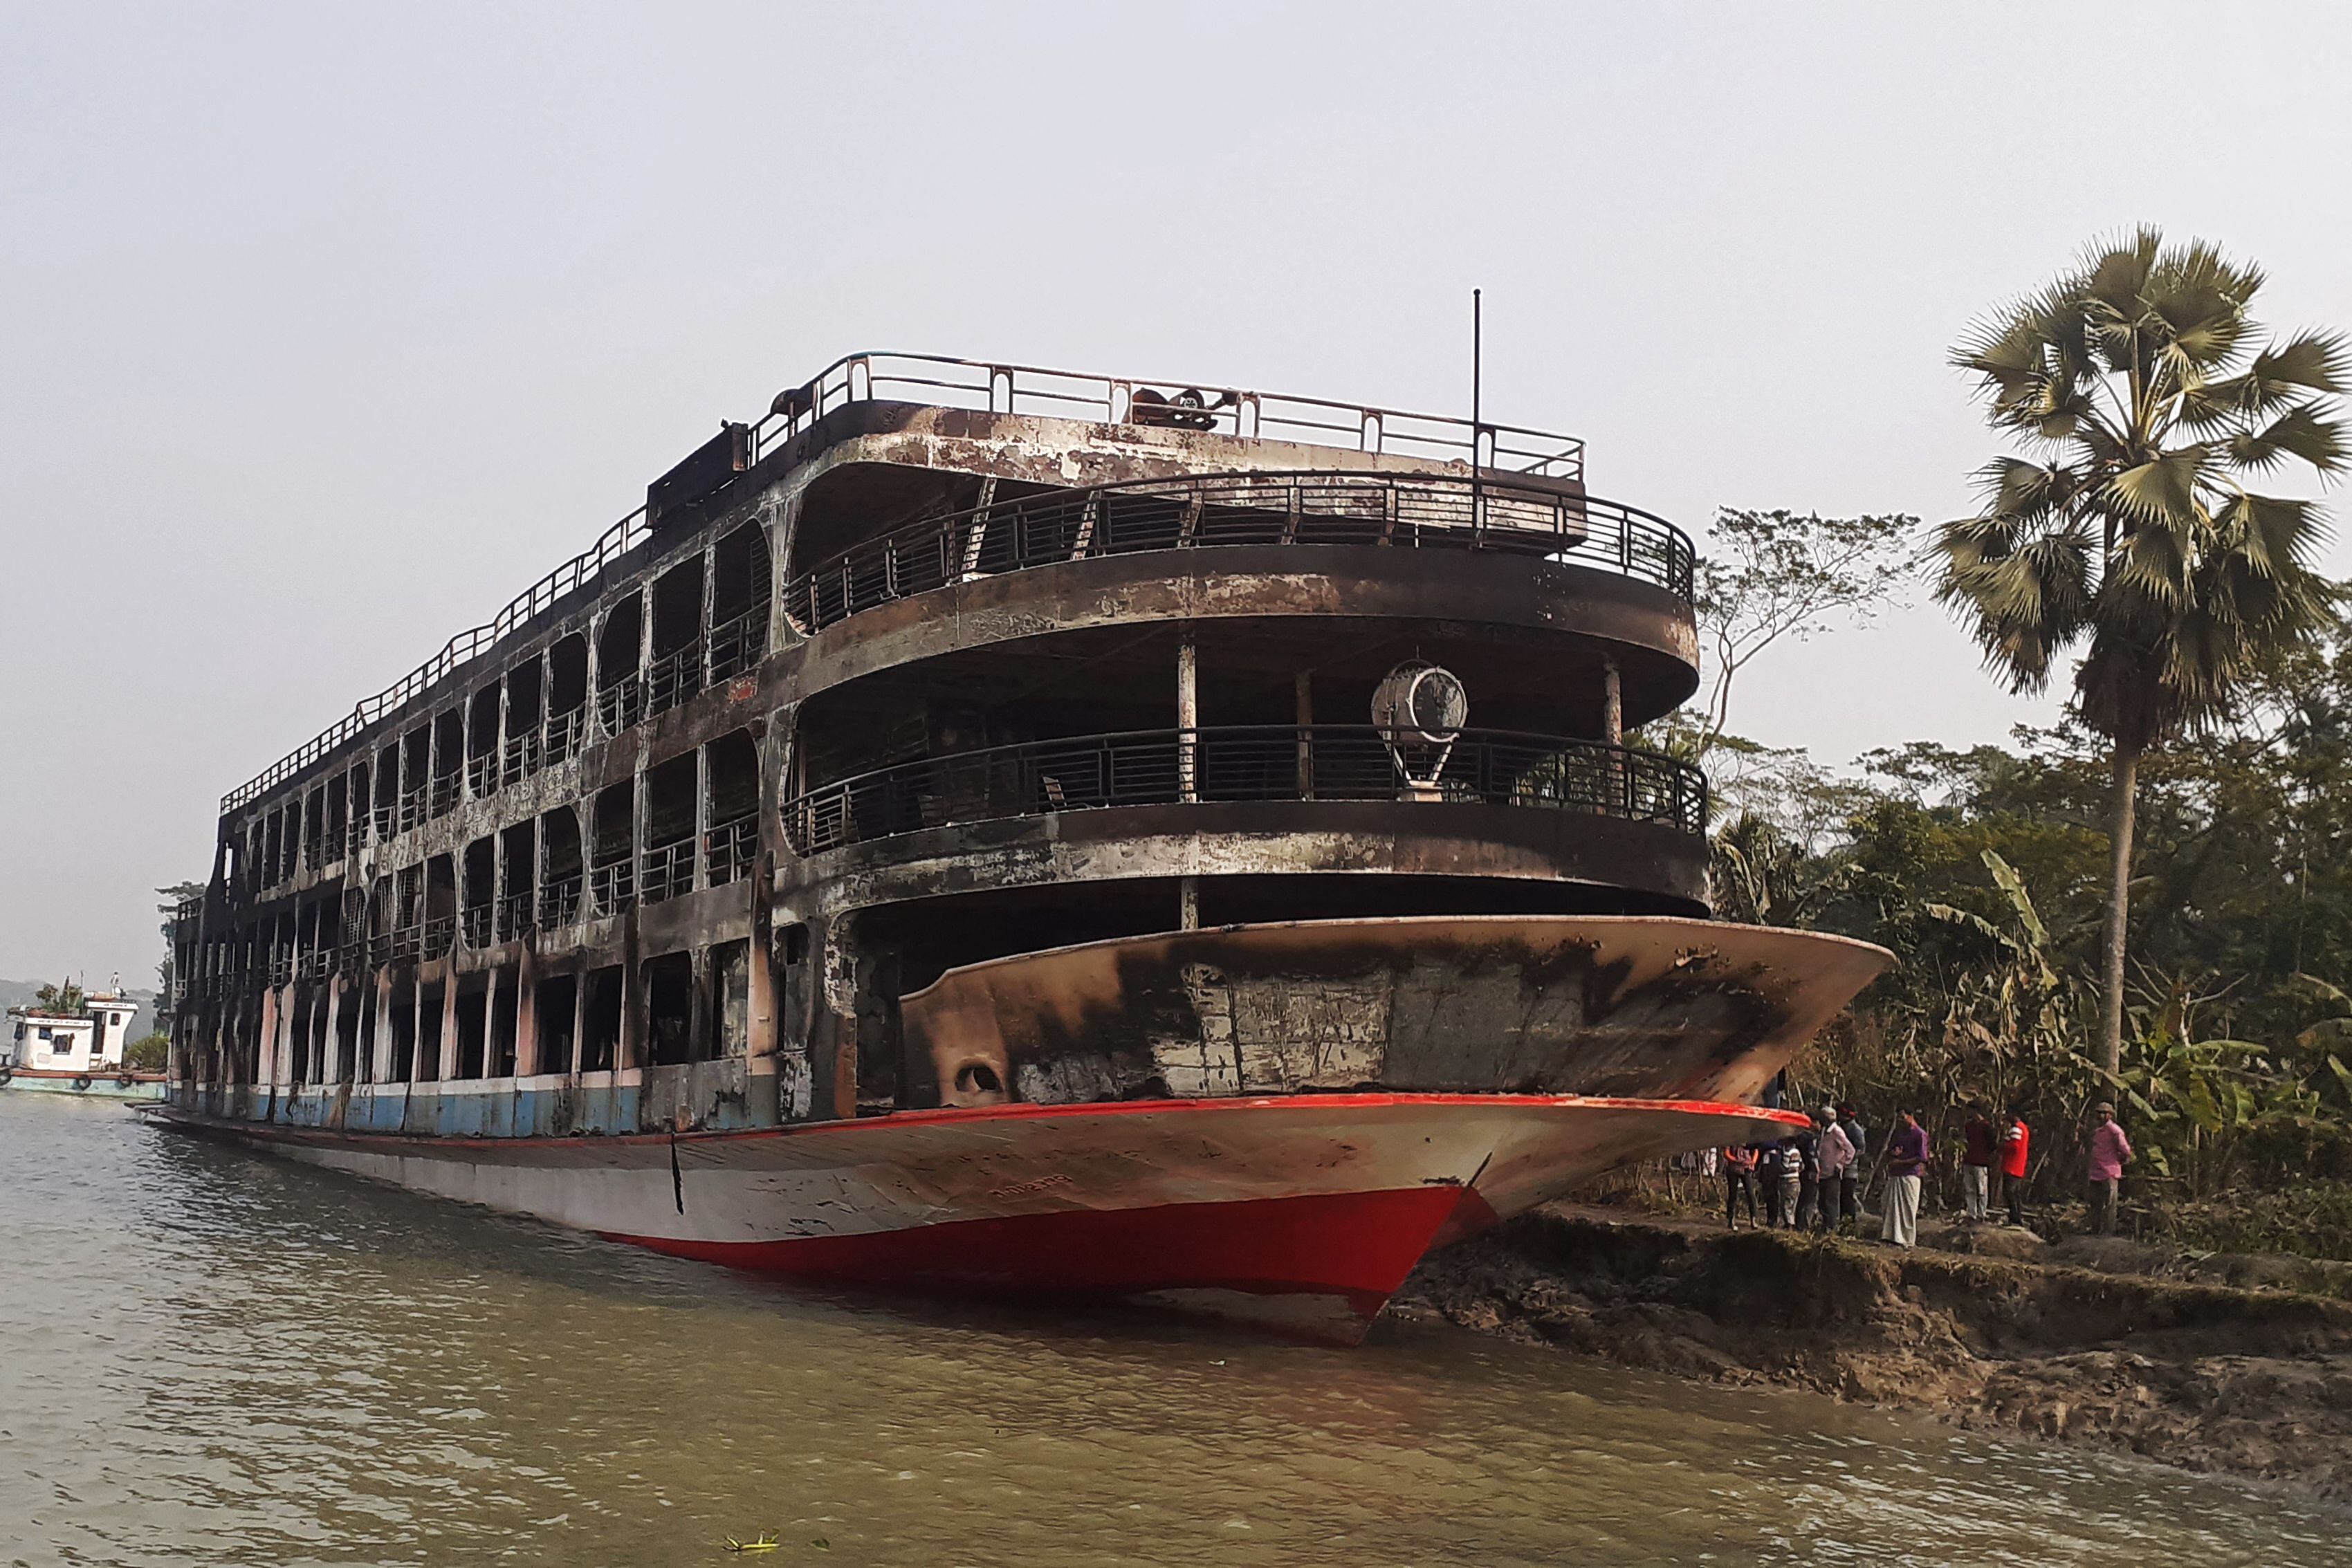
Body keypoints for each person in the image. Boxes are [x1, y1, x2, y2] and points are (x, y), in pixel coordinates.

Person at [1880, 1109, 1929, 1247]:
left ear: (1911, 1116)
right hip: (1896, 1174)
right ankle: (1890, 1236)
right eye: (1899, 1118)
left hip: (1910, 1175)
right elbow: (1892, 1149)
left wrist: (1901, 1162)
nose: (1900, 1121)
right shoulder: (1900, 1134)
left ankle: (1906, 1240)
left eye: (1903, 1117)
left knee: (1907, 1210)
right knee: (1888, 1205)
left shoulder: (1920, 1134)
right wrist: (1894, 1154)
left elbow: (1922, 1157)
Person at [2086, 1103, 2133, 1235]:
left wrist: (2122, 1160)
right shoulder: (2097, 1131)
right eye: (2098, 1113)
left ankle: (2108, 1232)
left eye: (2103, 1113)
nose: (2100, 1116)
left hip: (2109, 1172)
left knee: (2110, 1205)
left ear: (2109, 1116)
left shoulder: (2115, 1131)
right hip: (2095, 1172)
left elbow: (2125, 1149)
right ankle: (2095, 1230)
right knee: (2095, 1204)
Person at [1813, 1108, 1854, 1234]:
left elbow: (1850, 1150)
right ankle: (1825, 1228)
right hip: (1822, 1173)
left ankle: (1832, 1230)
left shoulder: (1837, 1132)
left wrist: (1841, 1165)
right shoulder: (1824, 1131)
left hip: (1832, 1174)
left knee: (1831, 1202)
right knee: (1822, 1202)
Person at [1960, 1103, 1996, 1222]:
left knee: (1982, 1190)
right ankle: (1972, 1213)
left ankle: (1982, 1213)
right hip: (1969, 1160)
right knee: (1970, 1189)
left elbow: (1992, 1145)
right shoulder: (1968, 1126)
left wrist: (1988, 1158)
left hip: (1981, 1162)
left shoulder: (1987, 1127)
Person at [1837, 1103, 1868, 1230]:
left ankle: (1849, 1226)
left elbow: (1861, 1150)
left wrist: (1847, 1158)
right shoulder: (1840, 1128)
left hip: (1849, 1170)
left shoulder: (1855, 1130)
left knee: (1847, 1198)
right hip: (1838, 1168)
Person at [2000, 1105, 2032, 1226]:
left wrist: (2002, 1146)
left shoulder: (2016, 1129)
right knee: (2015, 1193)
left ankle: (2014, 1218)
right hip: (2018, 1166)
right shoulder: (2023, 1128)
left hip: (2012, 1165)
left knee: (2009, 1192)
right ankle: (2017, 1216)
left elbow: (2014, 1147)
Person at [1781, 1129, 1811, 1231]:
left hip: (1788, 1180)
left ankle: (1789, 1225)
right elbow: (1802, 1165)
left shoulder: (1788, 1152)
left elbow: (1785, 1166)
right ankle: (1791, 1223)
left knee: (1786, 1204)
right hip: (1796, 1180)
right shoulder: (1797, 1152)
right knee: (1793, 1203)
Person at [1723, 1143, 1759, 1228]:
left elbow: (1756, 1151)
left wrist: (1753, 1161)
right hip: (1733, 1167)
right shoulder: (1731, 1138)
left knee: (1750, 1193)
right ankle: (1731, 1219)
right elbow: (1726, 1153)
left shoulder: (1749, 1137)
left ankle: (1754, 1219)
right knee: (1733, 1194)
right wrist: (1736, 1160)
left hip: (1746, 1168)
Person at [1758, 1140, 1788, 1227]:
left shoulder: (1776, 1143)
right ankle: (1770, 1219)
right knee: (1768, 1194)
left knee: (1773, 1194)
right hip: (1766, 1163)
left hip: (1773, 1162)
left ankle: (1773, 1219)